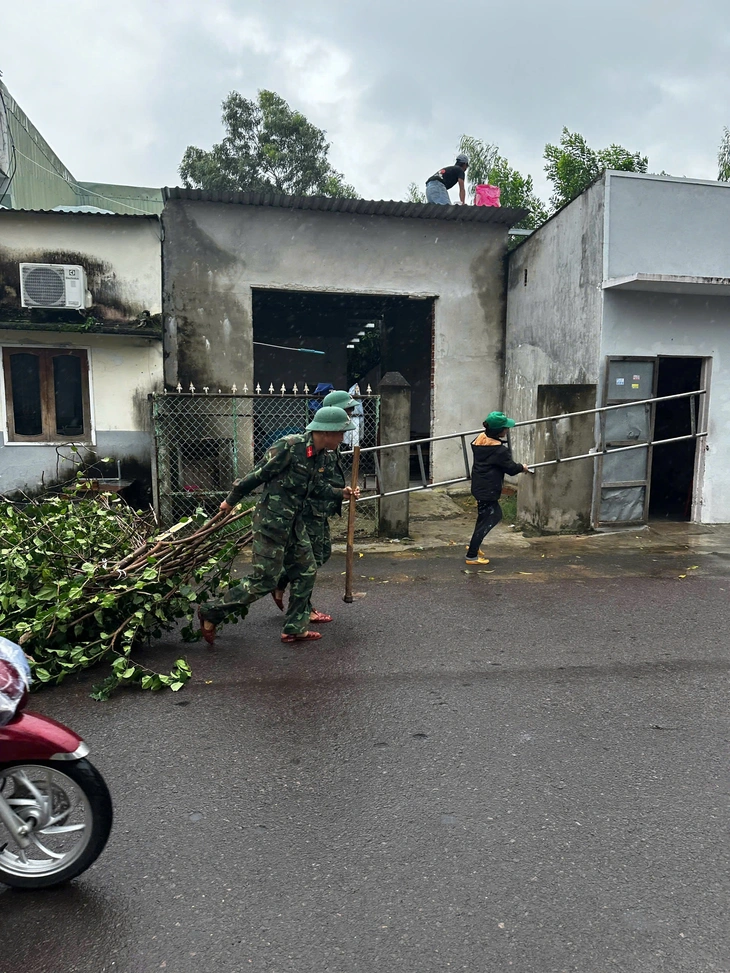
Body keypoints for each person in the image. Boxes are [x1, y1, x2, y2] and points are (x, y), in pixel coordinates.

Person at [198, 406, 359, 645]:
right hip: (271, 523)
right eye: (341, 433)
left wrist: (341, 493)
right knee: (264, 580)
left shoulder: (320, 454)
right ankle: (211, 611)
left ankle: (294, 627)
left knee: (307, 570)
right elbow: (257, 475)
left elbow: (315, 488)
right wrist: (231, 500)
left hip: (295, 523)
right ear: (327, 431)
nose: (343, 438)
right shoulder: (290, 446)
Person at [272, 389, 358, 623]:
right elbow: (315, 482)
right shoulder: (317, 444)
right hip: (310, 510)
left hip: (322, 507)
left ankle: (282, 582)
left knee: (320, 555)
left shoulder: (334, 442)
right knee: (309, 560)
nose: (349, 417)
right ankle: (301, 607)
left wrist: (343, 492)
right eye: (347, 412)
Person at [465, 411, 531, 566]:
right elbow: (511, 468)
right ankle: (471, 555)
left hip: (479, 486)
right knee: (493, 517)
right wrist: (523, 467)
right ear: (498, 431)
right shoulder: (499, 450)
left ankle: (474, 547)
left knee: (483, 517)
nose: (507, 430)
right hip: (488, 489)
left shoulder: (479, 440)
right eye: (505, 428)